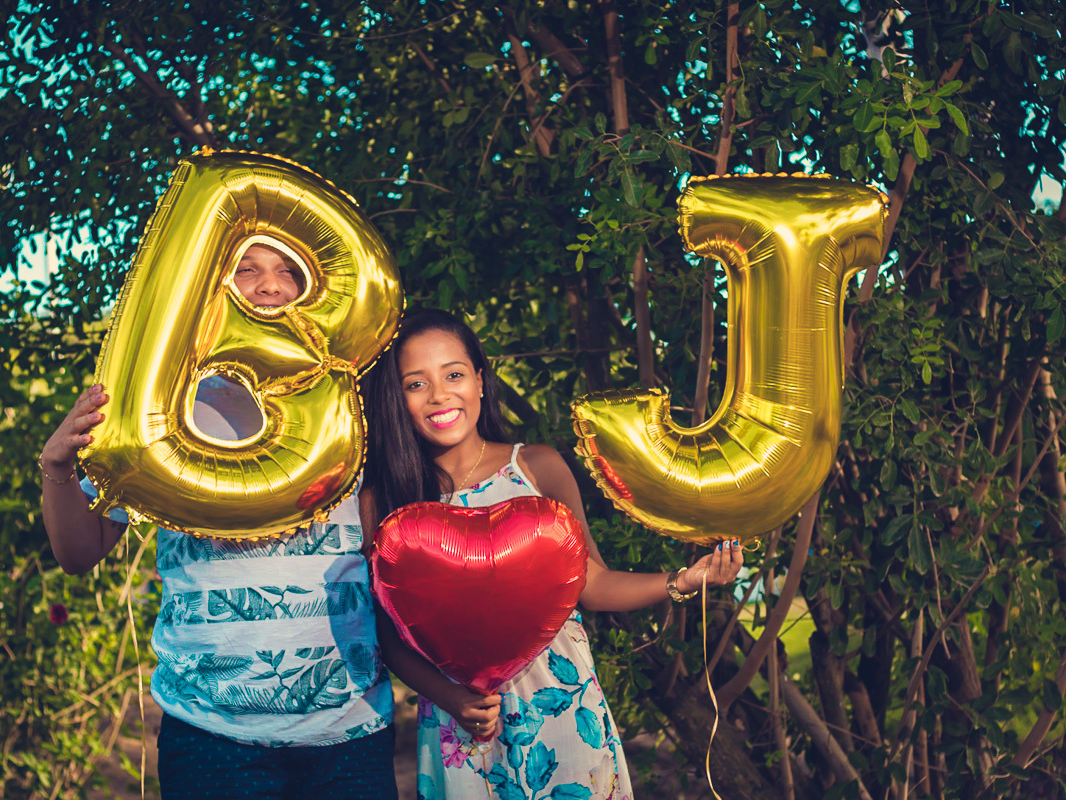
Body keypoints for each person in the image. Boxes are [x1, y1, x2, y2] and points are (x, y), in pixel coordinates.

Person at [40, 243, 398, 800]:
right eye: (246, 270)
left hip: (350, 732)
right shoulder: (165, 405)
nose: (269, 285)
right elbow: (78, 553)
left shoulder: (357, 404)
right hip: (211, 736)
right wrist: (57, 469)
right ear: (209, 287)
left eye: (289, 271)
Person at [360, 309, 744, 800]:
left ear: (480, 381)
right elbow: (388, 634)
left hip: (564, 709)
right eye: (416, 384)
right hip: (463, 728)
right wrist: (452, 698)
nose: (439, 395)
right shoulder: (385, 501)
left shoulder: (536, 467)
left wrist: (682, 581)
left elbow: (592, 584)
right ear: (397, 399)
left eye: (453, 375)